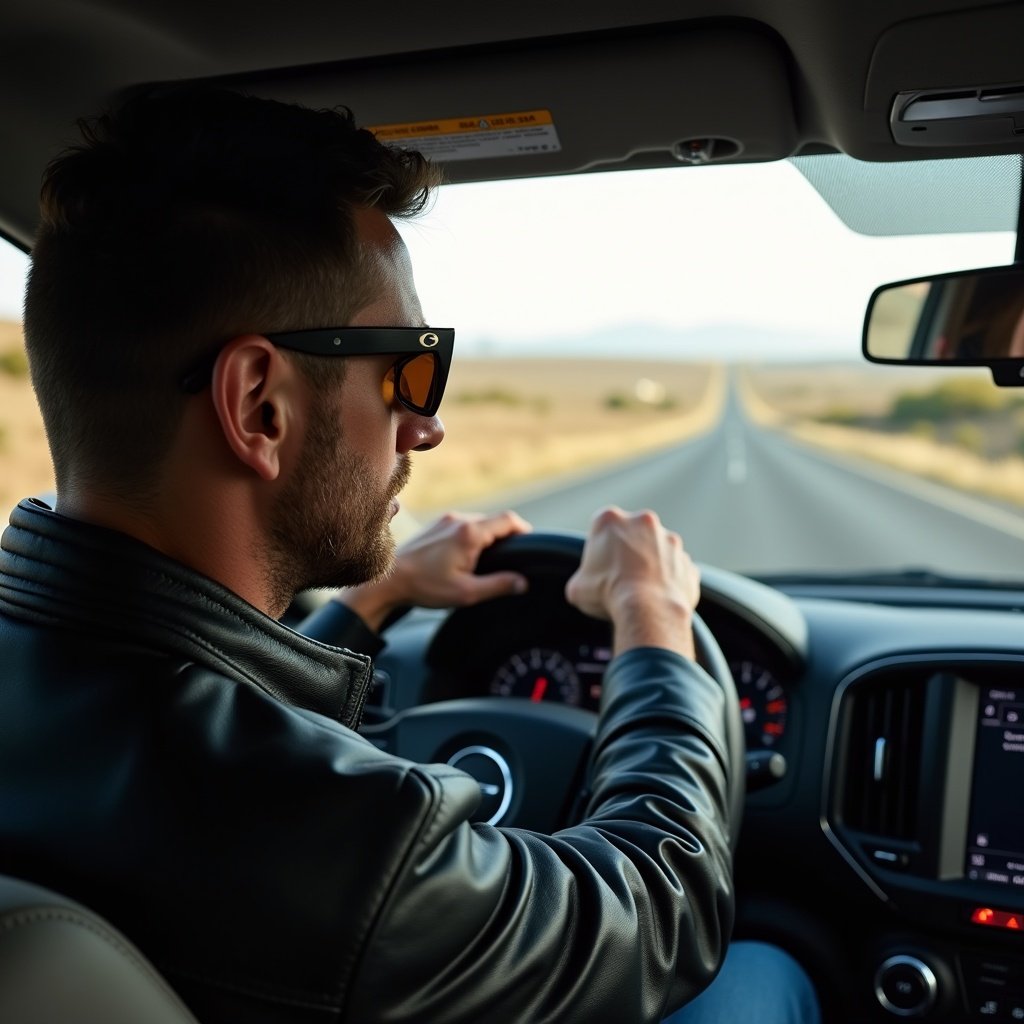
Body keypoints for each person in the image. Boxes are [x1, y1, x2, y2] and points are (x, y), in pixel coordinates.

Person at [0, 89, 818, 1023]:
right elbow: (656, 911)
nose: (425, 426)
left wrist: (367, 603)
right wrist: (657, 630)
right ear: (260, 405)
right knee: (767, 974)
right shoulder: (328, 838)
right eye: (409, 368)